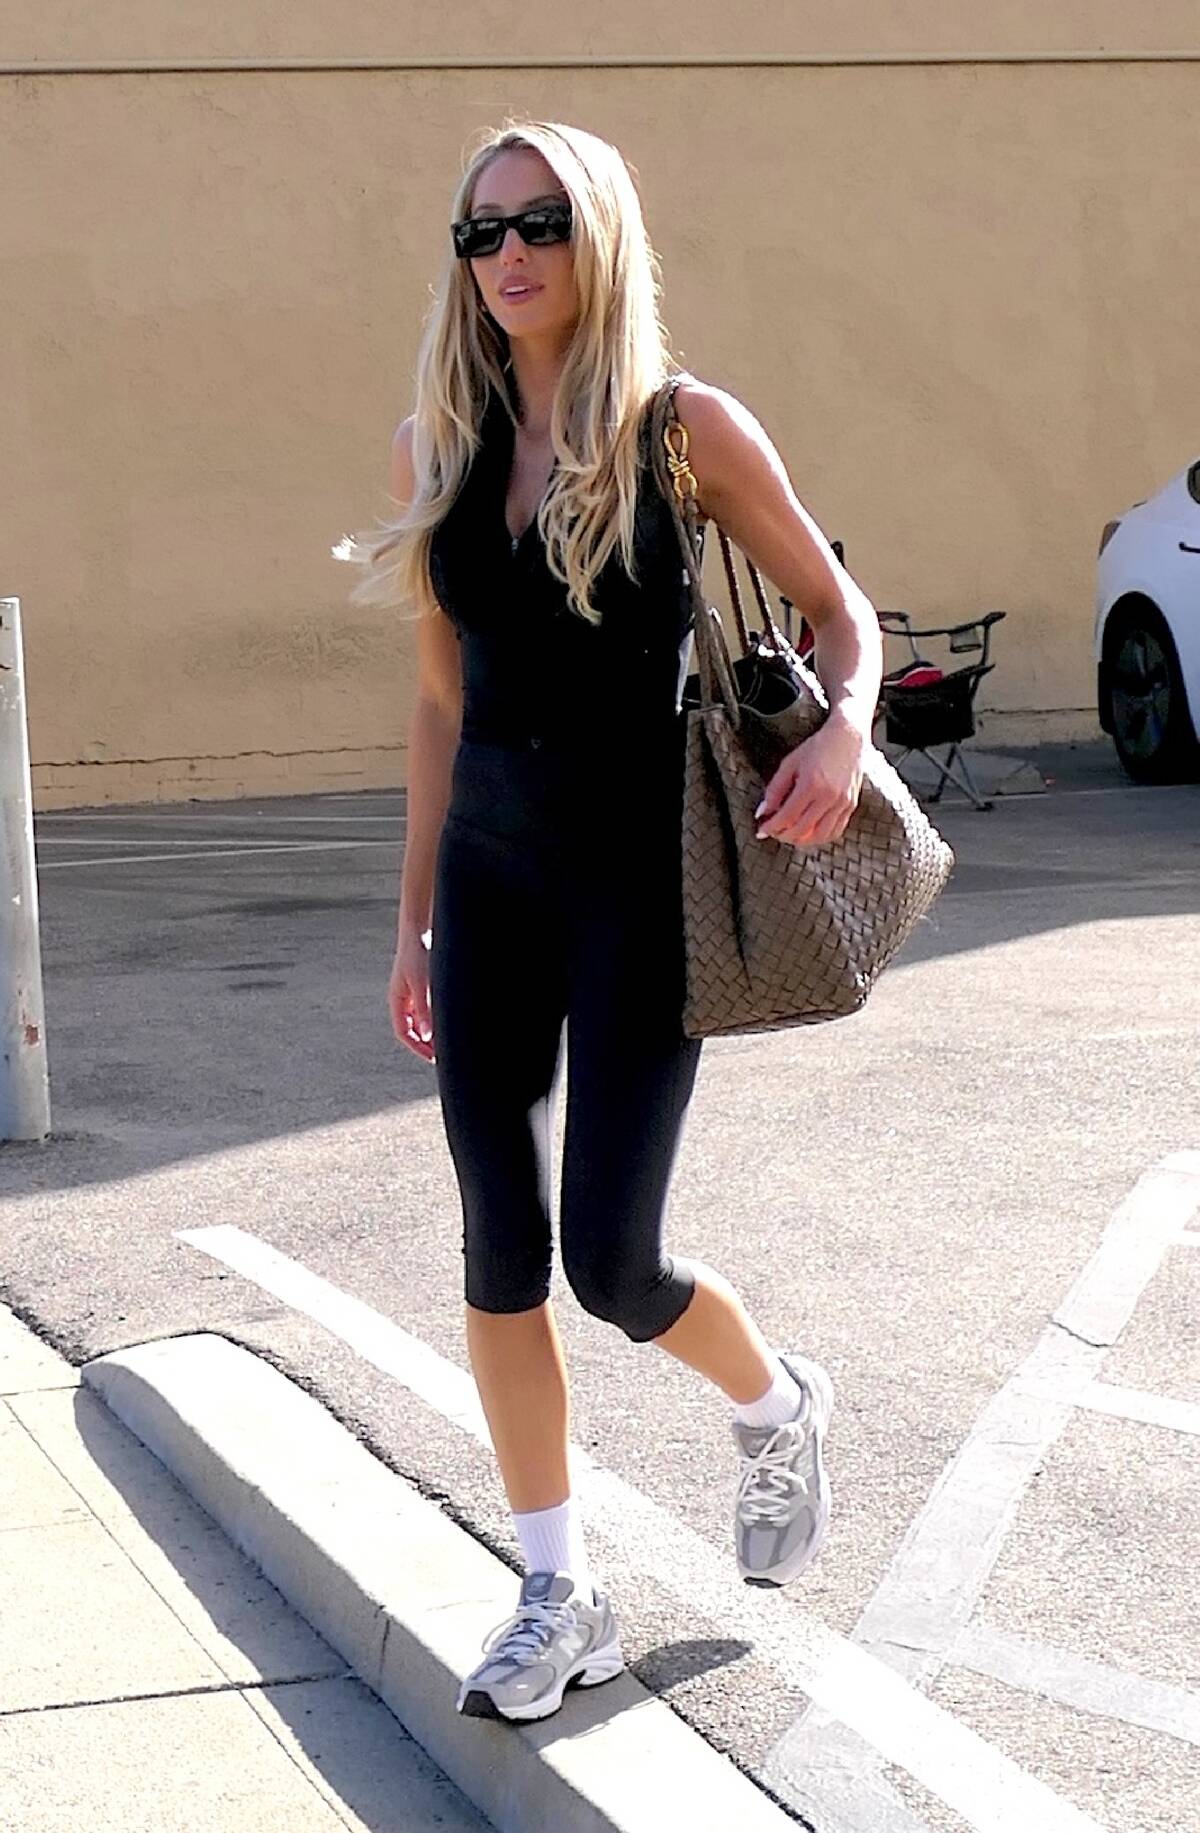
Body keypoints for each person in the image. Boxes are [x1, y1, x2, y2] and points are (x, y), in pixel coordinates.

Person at [337, 118, 883, 1725]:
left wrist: (846, 725)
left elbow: (841, 616)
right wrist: (413, 914)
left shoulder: (682, 433)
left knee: (612, 1259)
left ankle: (779, 1403)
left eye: (540, 222)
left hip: (639, 893)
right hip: (493, 892)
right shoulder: (433, 447)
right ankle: (558, 1590)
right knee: (498, 1254)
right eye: (481, 231)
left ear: (599, 235)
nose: (508, 253)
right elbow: (440, 705)